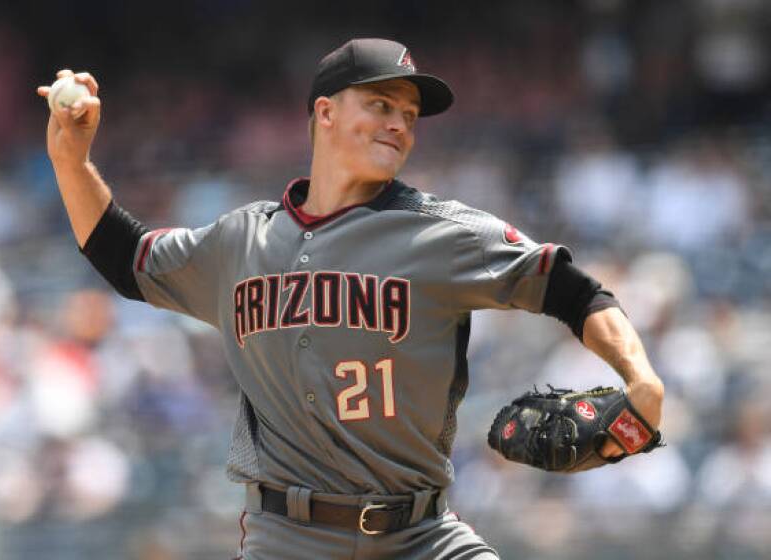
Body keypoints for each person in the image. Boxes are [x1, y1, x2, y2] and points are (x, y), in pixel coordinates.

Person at [37, 38, 665, 560]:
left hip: (421, 536)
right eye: (381, 103)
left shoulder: (441, 233)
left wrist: (639, 377)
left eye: (410, 115)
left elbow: (572, 290)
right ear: (326, 113)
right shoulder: (239, 241)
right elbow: (125, 257)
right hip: (286, 538)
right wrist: (70, 158)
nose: (399, 123)